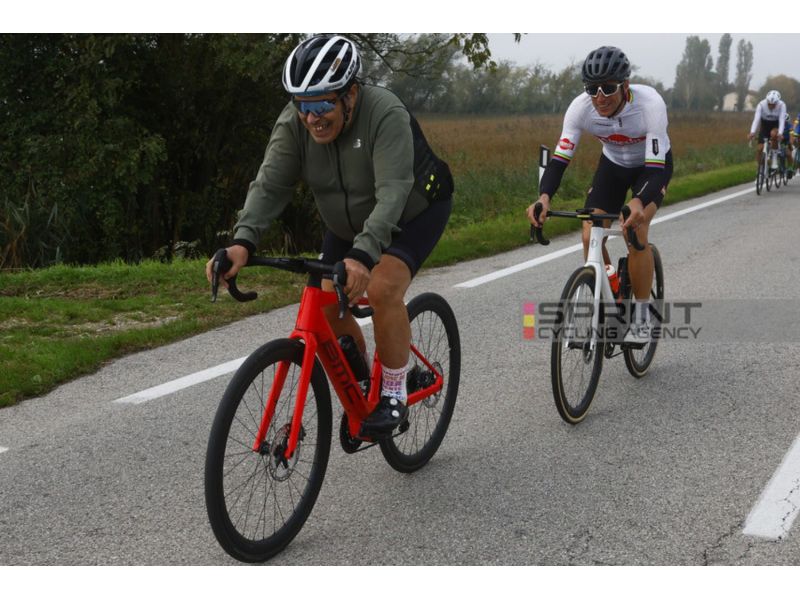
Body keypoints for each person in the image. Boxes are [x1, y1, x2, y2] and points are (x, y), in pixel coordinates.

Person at [205, 34, 453, 436]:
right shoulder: (295, 124)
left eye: (322, 104)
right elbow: (270, 184)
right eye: (303, 105)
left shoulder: (384, 113)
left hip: (413, 211)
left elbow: (392, 193)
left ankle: (393, 392)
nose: (312, 117)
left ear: (350, 95)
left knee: (382, 288)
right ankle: (363, 385)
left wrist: (363, 256)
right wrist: (242, 242)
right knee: (326, 301)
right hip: (347, 224)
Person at [526, 46, 673, 345]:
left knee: (635, 230)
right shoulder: (580, 108)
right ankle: (611, 294)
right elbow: (559, 160)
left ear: (625, 85)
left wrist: (637, 201)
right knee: (588, 233)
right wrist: (544, 198)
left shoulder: (650, 105)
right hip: (613, 166)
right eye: (592, 89)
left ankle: (642, 316)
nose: (600, 97)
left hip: (651, 168)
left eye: (608, 88)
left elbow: (656, 170)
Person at [748, 90, 787, 171]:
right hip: (765, 125)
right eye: (769, 104)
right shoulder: (761, 105)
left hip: (775, 124)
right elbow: (756, 119)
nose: (771, 106)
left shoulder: (782, 105)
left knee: (773, 134)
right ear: (767, 101)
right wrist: (752, 132)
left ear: (777, 102)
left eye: (773, 104)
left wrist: (780, 133)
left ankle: (774, 159)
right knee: (760, 149)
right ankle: (760, 169)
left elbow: (782, 120)